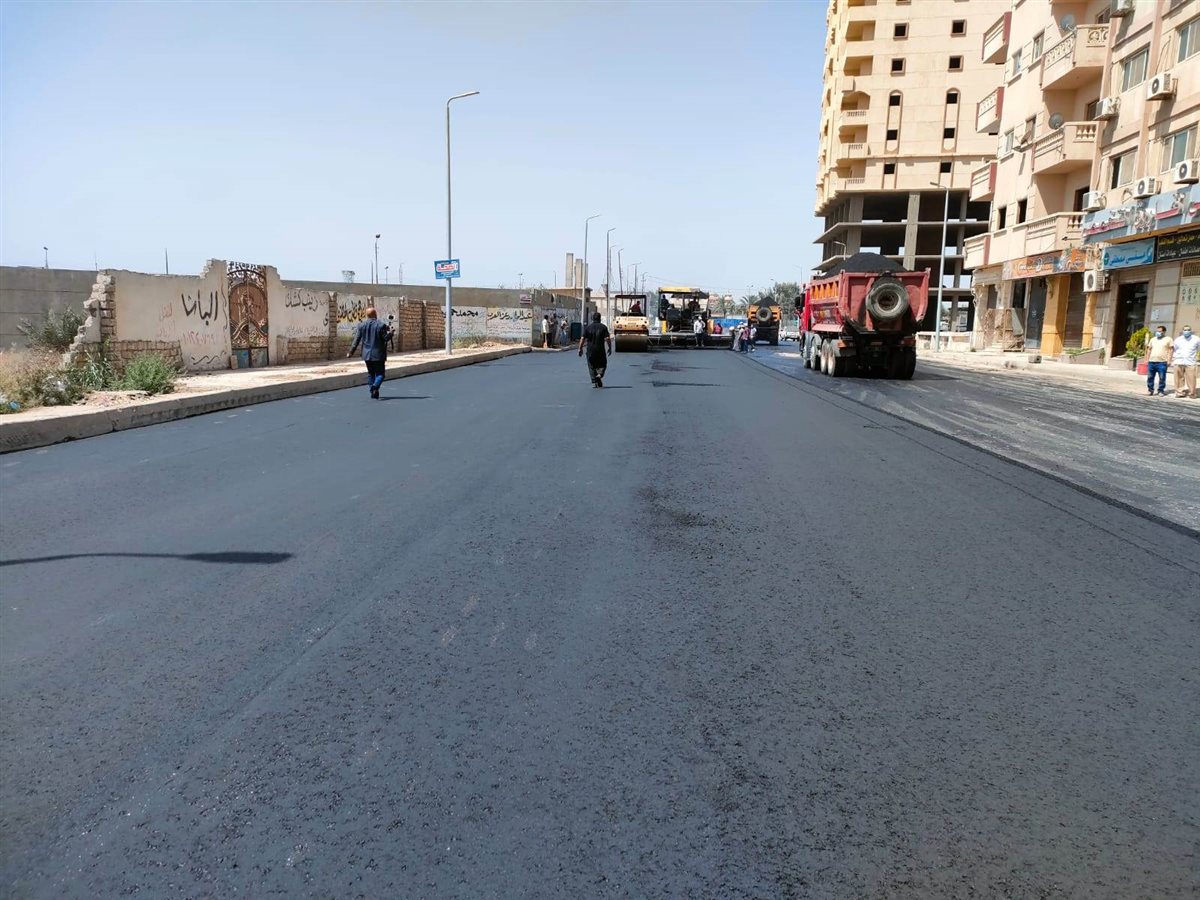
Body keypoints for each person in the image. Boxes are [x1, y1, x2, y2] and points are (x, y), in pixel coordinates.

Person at [347, 307, 392, 399]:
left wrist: (351, 352)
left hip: (366, 354)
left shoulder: (361, 325)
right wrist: (391, 333)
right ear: (375, 314)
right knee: (380, 374)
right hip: (378, 355)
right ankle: (375, 386)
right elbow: (386, 338)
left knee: (371, 373)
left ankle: (373, 391)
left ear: (367, 315)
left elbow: (356, 340)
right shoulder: (381, 325)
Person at [578, 311, 612, 387]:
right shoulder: (603, 327)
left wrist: (580, 348)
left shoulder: (588, 328)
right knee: (603, 363)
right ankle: (600, 374)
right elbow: (607, 338)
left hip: (590, 350)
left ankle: (594, 379)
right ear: (600, 319)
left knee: (591, 365)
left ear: (593, 319)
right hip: (600, 349)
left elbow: (582, 338)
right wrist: (610, 348)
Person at [1172, 324, 1198, 399]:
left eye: (1188, 330)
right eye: (1185, 330)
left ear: (1191, 331)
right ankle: (1180, 392)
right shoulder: (1178, 340)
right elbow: (1174, 349)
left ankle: (1192, 393)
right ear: (1183, 331)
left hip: (1190, 362)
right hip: (1178, 361)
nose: (1187, 331)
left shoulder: (1196, 339)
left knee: (1191, 379)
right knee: (1178, 378)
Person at [1145, 325, 1172, 396]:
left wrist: (1169, 360)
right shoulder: (1153, 339)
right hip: (1152, 361)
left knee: (1162, 377)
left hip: (1162, 362)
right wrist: (1147, 359)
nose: (1158, 333)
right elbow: (1149, 349)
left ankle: (1161, 390)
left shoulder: (1168, 339)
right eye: (1157, 331)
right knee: (1150, 377)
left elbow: (1171, 350)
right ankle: (1150, 390)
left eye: (1160, 331)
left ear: (1164, 332)